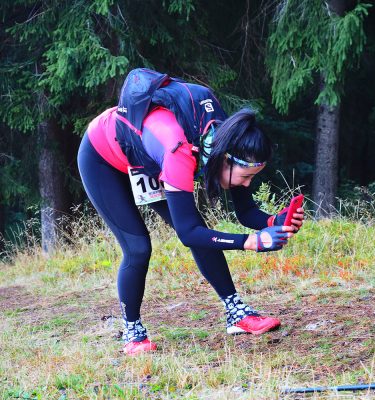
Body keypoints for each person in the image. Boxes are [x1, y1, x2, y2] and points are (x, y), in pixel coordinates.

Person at [77, 77, 304, 356]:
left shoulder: (227, 138)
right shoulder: (178, 151)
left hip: (146, 155)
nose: (247, 185)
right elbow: (188, 232)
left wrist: (273, 222)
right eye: (245, 177)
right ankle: (132, 330)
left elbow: (245, 212)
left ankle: (236, 313)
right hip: (102, 156)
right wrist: (250, 242)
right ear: (225, 160)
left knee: (202, 232)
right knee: (138, 248)